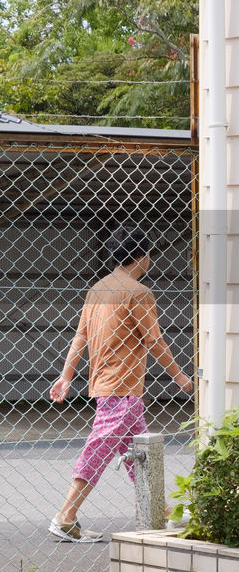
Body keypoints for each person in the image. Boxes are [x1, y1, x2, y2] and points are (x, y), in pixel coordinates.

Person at [47, 224, 193, 543]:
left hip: (107, 388)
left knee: (139, 452)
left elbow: (80, 337)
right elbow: (154, 341)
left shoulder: (97, 289)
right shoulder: (139, 293)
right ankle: (65, 516)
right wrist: (181, 376)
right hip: (122, 390)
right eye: (149, 255)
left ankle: (162, 511)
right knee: (99, 450)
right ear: (141, 257)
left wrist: (66, 376)